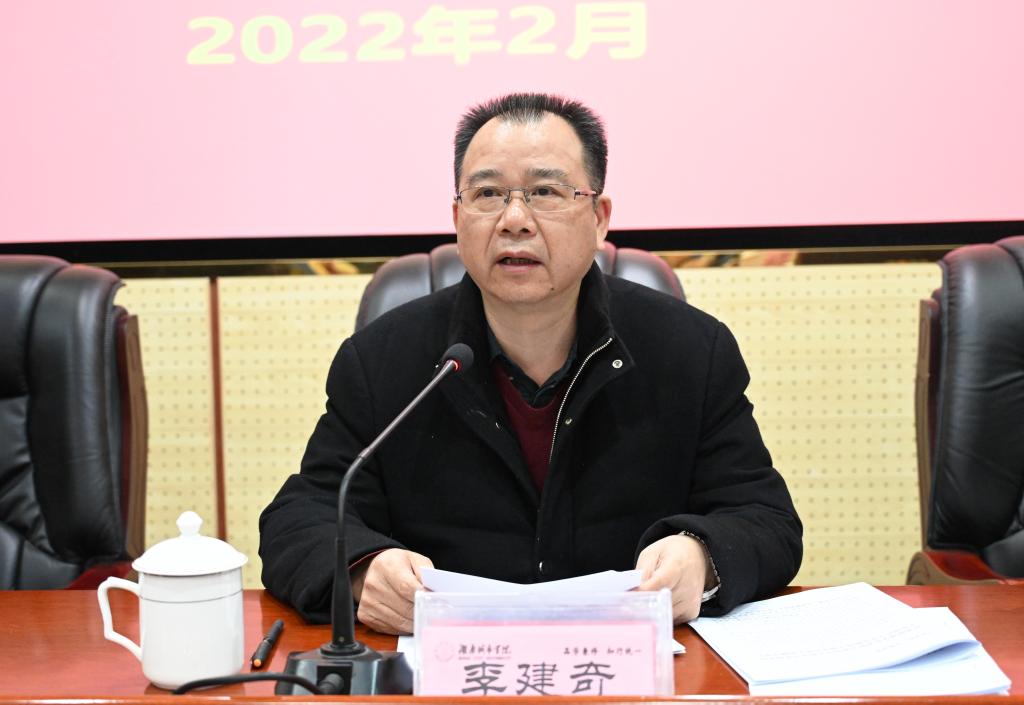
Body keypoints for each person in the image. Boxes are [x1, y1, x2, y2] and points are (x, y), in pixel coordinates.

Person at [259, 93, 802, 634]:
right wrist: (362, 569)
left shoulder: (690, 351)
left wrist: (703, 558)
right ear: (458, 218)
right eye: (487, 194)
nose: (514, 220)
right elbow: (300, 518)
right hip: (450, 662)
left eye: (545, 192)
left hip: (631, 660)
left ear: (599, 218)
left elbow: (766, 519)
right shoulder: (383, 360)